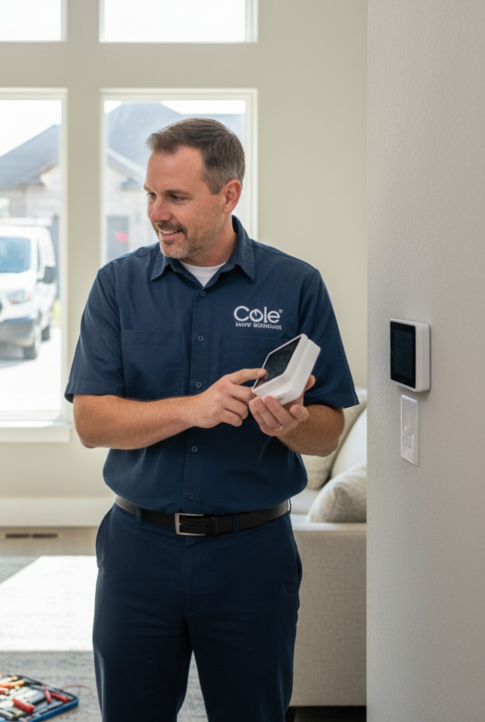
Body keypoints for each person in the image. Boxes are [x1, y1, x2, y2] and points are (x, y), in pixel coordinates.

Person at [66, 119, 358, 721]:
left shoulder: (296, 285)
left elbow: (328, 427)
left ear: (229, 195)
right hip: (138, 553)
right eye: (151, 194)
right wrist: (193, 408)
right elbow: (91, 422)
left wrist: (290, 425)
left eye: (176, 197)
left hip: (253, 556)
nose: (157, 213)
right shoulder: (117, 286)